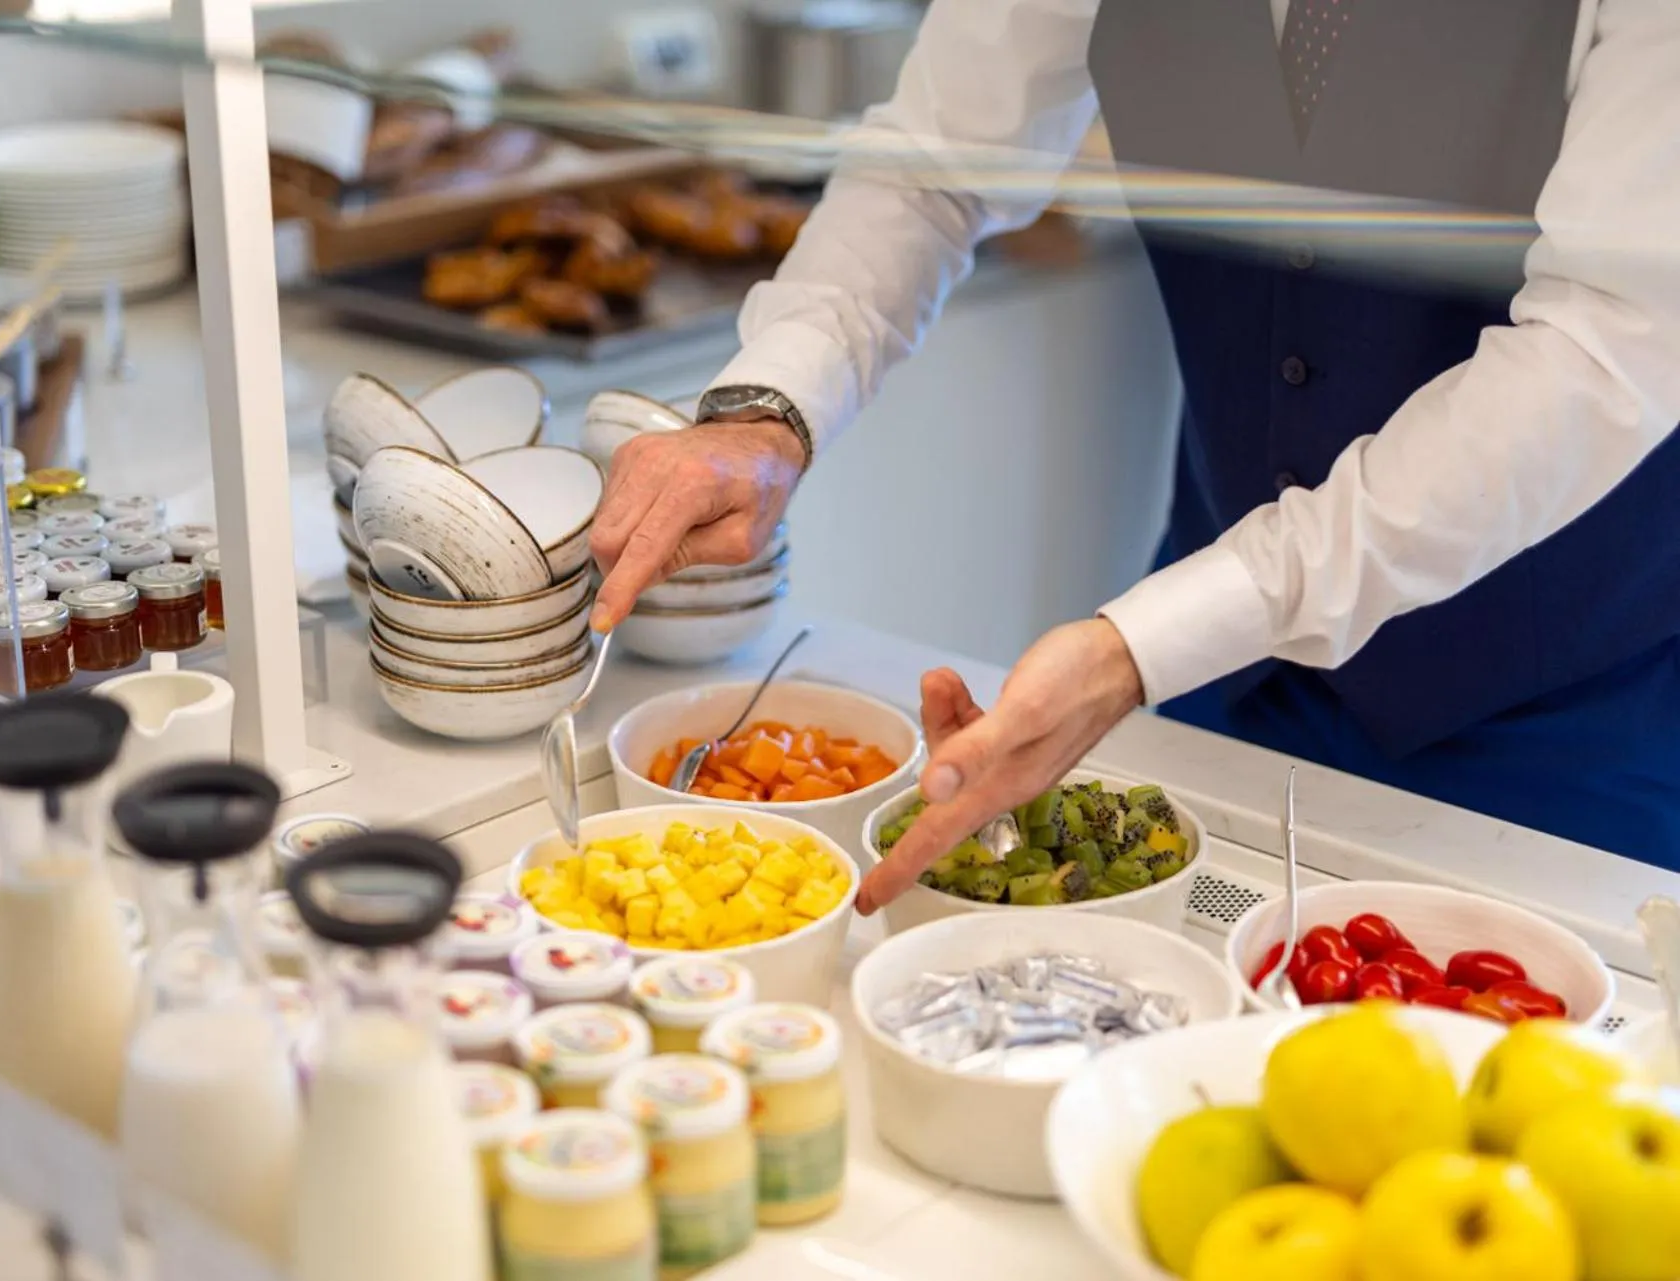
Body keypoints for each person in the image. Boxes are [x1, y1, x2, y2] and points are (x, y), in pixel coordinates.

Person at [587, 0, 1680, 910]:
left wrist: (1149, 639)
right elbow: (936, 164)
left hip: (1566, 697)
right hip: (1225, 668)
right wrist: (766, 409)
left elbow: (1601, 343)